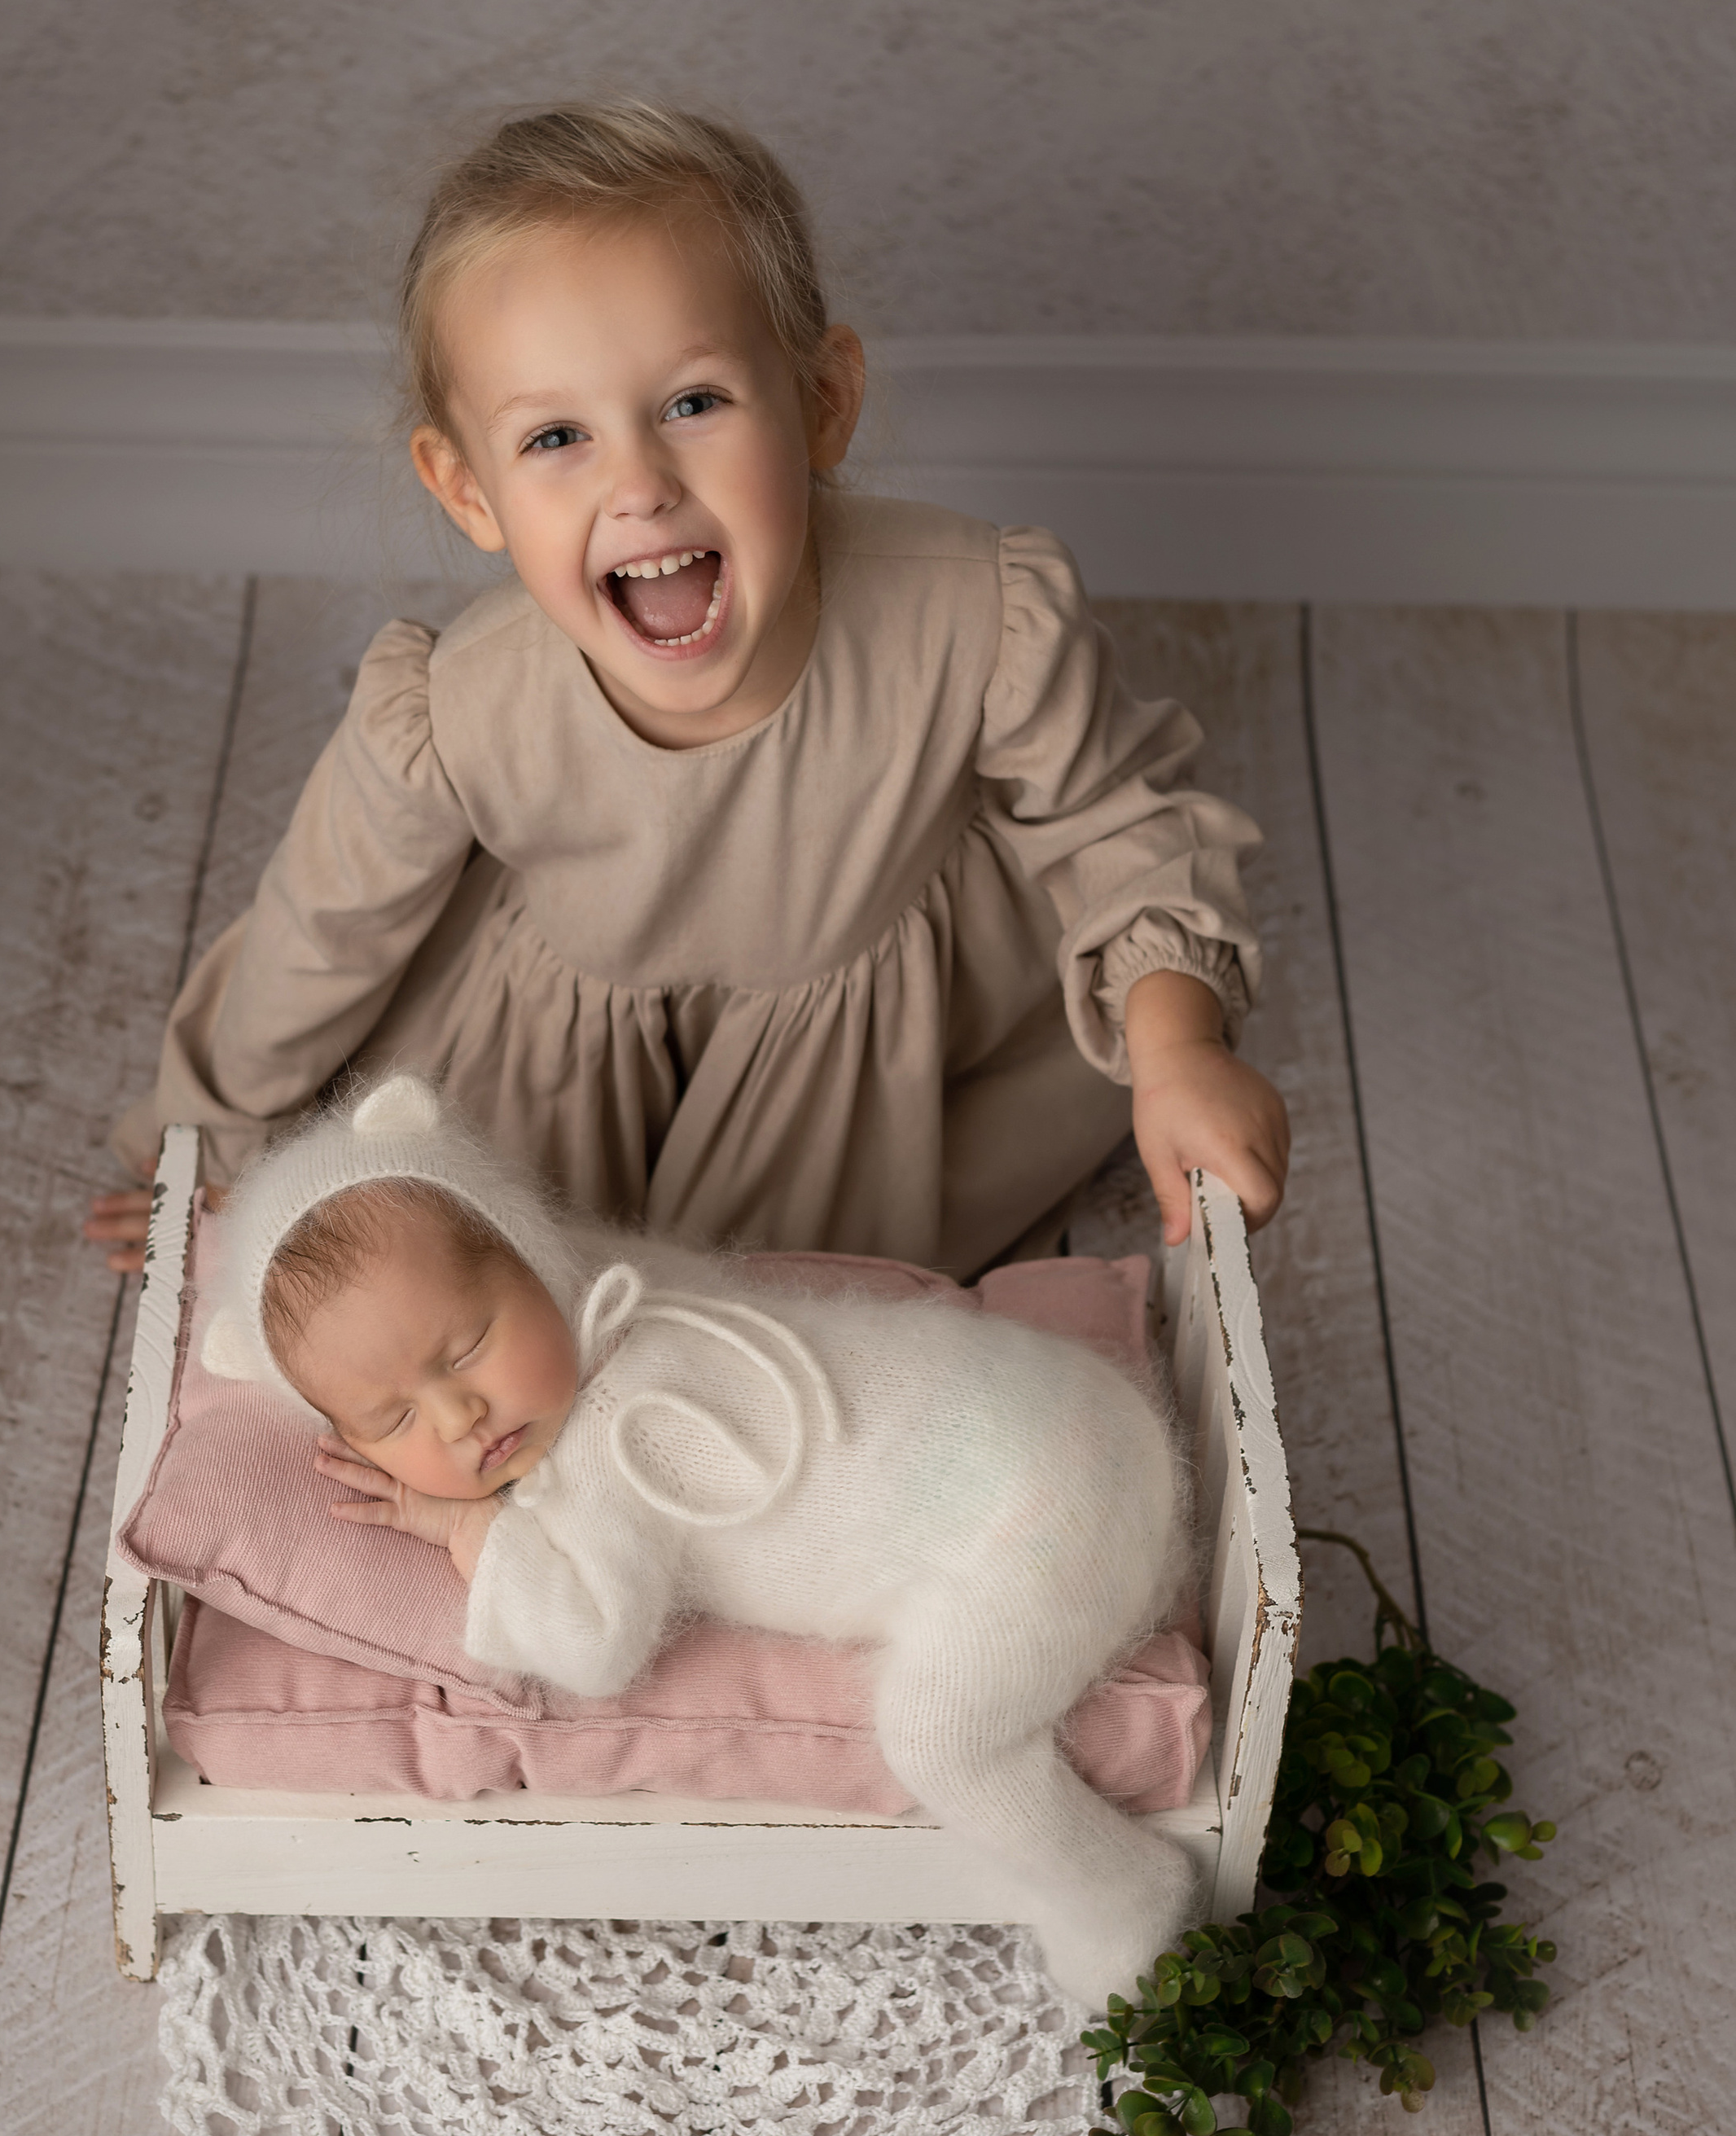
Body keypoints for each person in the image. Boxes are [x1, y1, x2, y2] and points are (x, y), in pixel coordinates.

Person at [87, 101, 1287, 1283]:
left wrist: (1177, 1044)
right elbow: (321, 930)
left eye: (693, 404)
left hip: (860, 1083)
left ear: (822, 403)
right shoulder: (461, 710)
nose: (640, 484)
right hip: (552, 1081)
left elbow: (1120, 825)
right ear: (468, 491)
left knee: (799, 1328)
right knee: (489, 1288)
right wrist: (214, 1147)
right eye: (557, 437)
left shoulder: (972, 615)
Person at [206, 1075, 1199, 2014]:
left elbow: (592, 1646)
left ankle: (1124, 1896)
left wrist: (473, 1526)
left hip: (1039, 1525)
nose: (460, 1413)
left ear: (533, 1258)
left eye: (464, 1350)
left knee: (939, 1740)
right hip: (1081, 1411)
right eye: (390, 1420)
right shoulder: (621, 1285)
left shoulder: (612, 1448)